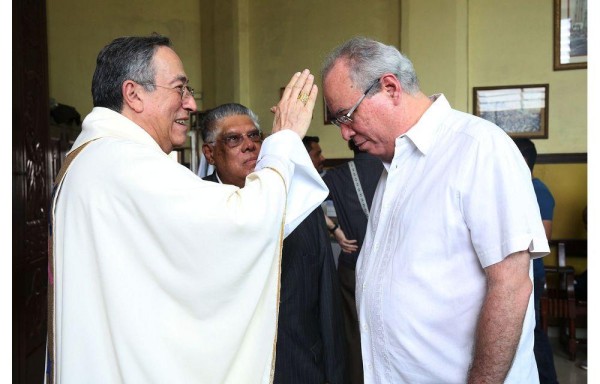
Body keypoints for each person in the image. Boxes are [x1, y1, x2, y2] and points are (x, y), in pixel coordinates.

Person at [47, 34, 328, 384]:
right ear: (133, 94)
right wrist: (284, 138)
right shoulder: (123, 164)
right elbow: (243, 221)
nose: (191, 104)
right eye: (180, 89)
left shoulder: (96, 156)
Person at [321, 37, 549, 383]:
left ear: (390, 88)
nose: (345, 134)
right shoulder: (395, 166)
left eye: (347, 116)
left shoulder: (477, 148)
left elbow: (511, 288)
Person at [200, 103, 346, 384]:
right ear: (209, 153)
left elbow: (326, 299)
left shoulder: (300, 202)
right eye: (233, 139)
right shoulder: (199, 206)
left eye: (255, 136)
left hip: (300, 367)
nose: (249, 146)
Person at [322, 140, 383, 384]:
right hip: (390, 267)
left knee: (353, 334)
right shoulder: (393, 169)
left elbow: (307, 202)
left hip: (352, 264)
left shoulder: (337, 175)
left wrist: (335, 229)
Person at [514, 138, 558, 384]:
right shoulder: (517, 188)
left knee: (533, 331)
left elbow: (544, 235)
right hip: (519, 273)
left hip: (533, 273)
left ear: (523, 159)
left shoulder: (538, 191)